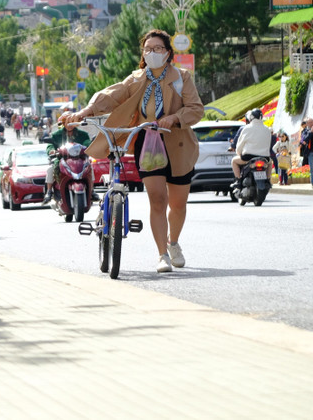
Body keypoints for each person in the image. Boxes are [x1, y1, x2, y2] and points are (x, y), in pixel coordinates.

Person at [63, 29, 204, 274]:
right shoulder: (136, 79)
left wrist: (174, 118)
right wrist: (84, 112)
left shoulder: (182, 77)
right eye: (148, 49)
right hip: (147, 143)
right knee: (157, 199)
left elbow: (196, 109)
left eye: (157, 48)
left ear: (168, 52)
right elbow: (109, 96)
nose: (152, 53)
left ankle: (173, 243)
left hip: (178, 145)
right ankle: (162, 254)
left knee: (178, 204)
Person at [43, 120, 93, 202]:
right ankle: (49, 191)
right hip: (61, 159)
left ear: (75, 123)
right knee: (50, 169)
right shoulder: (56, 135)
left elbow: (87, 141)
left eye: (72, 121)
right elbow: (50, 145)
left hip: (79, 159)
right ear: (63, 123)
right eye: (67, 122)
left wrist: (87, 146)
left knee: (89, 166)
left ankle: (92, 190)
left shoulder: (83, 134)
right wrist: (51, 150)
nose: (70, 124)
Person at [231, 109, 273, 188]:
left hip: (248, 157)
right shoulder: (267, 129)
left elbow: (240, 144)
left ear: (251, 117)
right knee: (270, 163)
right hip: (264, 158)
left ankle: (238, 180)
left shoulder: (247, 128)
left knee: (234, 161)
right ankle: (268, 180)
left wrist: (238, 153)